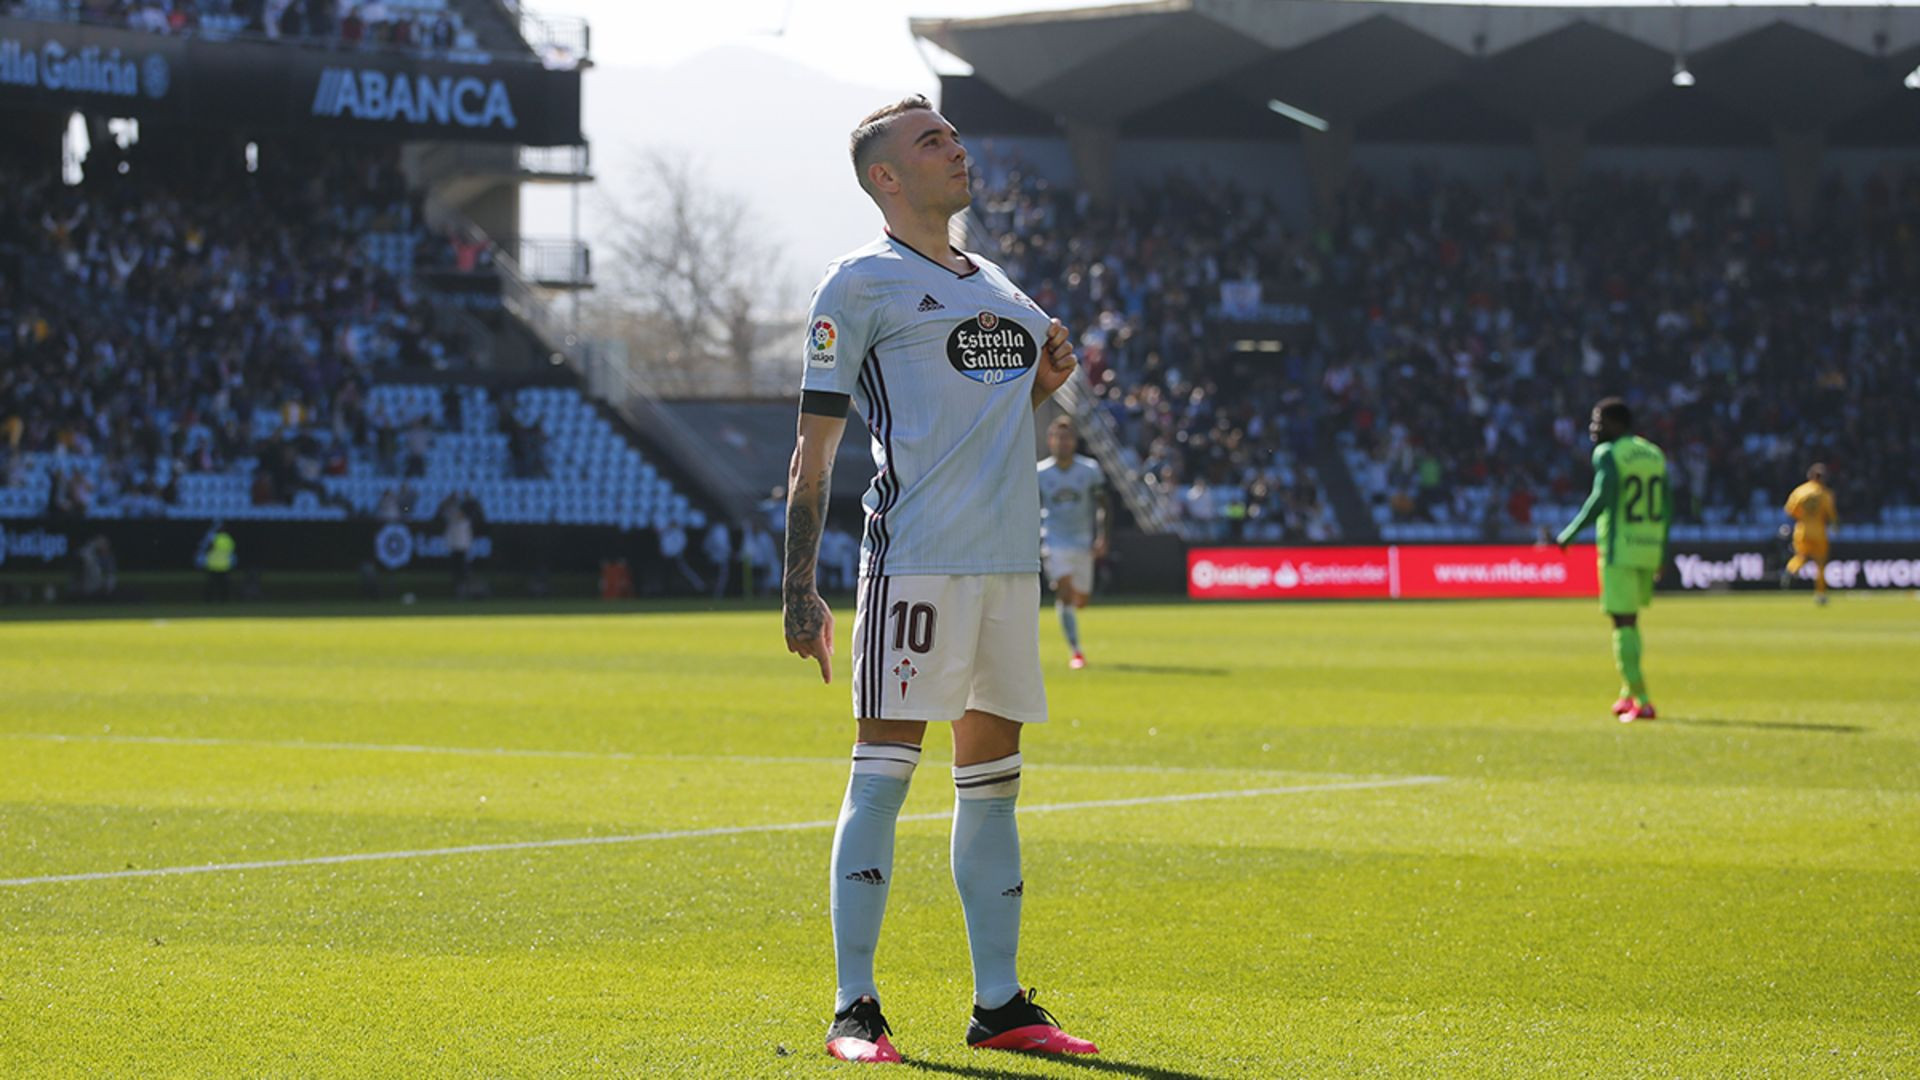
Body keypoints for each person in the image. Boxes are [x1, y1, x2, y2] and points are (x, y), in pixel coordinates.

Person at [780, 94, 1098, 1064]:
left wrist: (1048, 377)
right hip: (915, 563)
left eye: (953, 137)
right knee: (883, 777)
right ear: (886, 176)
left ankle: (999, 1005)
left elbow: (1022, 398)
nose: (955, 149)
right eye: (931, 141)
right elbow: (814, 453)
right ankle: (853, 1010)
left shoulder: (994, 279)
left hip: (1009, 567)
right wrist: (800, 587)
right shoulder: (860, 282)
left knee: (993, 786)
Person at [1557, 398, 1670, 722]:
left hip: (1619, 548)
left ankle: (1643, 699)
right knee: (1631, 622)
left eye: (1599, 422)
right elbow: (1669, 503)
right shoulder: (1653, 453)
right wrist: (1661, 550)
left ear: (1617, 424)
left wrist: (1570, 533)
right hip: (1648, 546)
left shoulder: (1608, 454)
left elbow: (1601, 498)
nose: (1593, 429)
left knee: (1622, 623)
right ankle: (1626, 692)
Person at [1035, 416, 1109, 668]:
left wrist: (1102, 536)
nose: (1063, 443)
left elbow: (1103, 506)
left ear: (1075, 442)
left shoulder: (1089, 470)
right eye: (1059, 438)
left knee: (1081, 599)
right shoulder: (1040, 472)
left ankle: (1072, 619)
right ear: (1050, 441)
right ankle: (1076, 651)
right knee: (1064, 591)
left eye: (1068, 438)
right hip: (1053, 540)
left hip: (1082, 542)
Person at [1782, 463, 1838, 606]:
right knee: (1820, 563)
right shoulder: (1824, 493)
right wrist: (1834, 524)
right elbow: (1831, 514)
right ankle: (1820, 594)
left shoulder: (1800, 491)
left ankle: (1791, 569)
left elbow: (1790, 510)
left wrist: (1802, 517)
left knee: (1801, 556)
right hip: (1818, 531)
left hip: (1802, 529)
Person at [199, 521, 236, 603]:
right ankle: (224, 600)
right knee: (223, 585)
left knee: (211, 585)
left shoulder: (213, 538)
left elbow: (207, 549)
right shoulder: (228, 539)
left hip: (214, 565)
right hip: (224, 565)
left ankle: (209, 600)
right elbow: (231, 550)